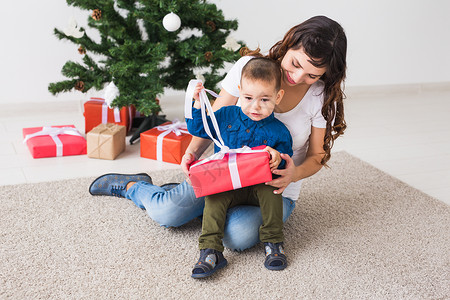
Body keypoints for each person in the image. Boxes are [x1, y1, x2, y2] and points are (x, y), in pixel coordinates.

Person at [89, 14, 347, 271]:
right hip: (224, 175)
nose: (298, 76)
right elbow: (215, 119)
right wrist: (192, 153)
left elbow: (316, 155)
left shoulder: (320, 96)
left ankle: (203, 210)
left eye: (312, 75)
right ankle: (135, 186)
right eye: (295, 63)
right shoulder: (250, 67)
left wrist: (293, 174)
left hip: (274, 190)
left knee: (237, 236)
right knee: (167, 213)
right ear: (290, 42)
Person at [187, 57, 293, 278]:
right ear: (239, 91)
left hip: (258, 187)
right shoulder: (226, 115)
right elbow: (199, 128)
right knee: (213, 196)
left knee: (272, 191)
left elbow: (285, 161)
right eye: (248, 98)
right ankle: (211, 250)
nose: (255, 106)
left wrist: (276, 158)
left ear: (278, 96)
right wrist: (197, 103)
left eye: (265, 99)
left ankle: (274, 243)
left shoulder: (279, 131)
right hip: (227, 184)